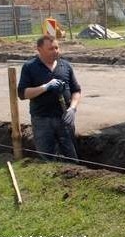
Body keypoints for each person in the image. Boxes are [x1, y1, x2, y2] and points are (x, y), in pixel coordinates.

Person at [18, 34, 81, 162]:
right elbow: (23, 94)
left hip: (64, 119)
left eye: (57, 48)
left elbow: (76, 91)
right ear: (39, 49)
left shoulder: (65, 66)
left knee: (71, 156)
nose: (55, 51)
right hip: (42, 120)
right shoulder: (30, 67)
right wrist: (45, 87)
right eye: (51, 49)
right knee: (47, 157)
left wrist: (73, 109)